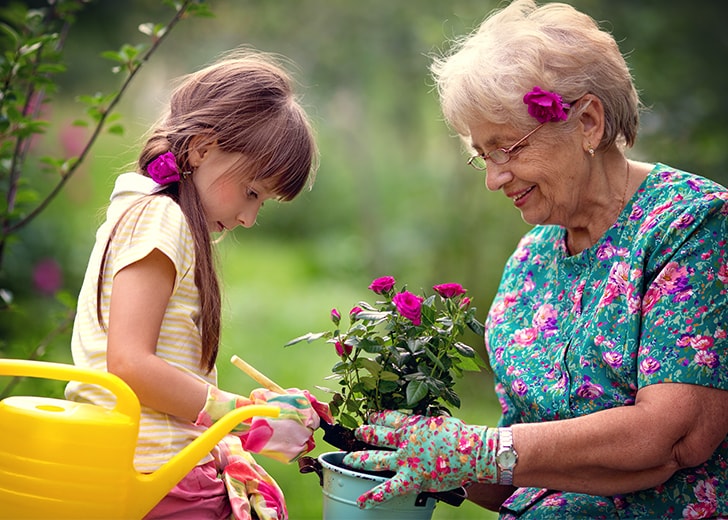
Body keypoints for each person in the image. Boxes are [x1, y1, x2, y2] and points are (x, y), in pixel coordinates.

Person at [342, 1, 728, 517]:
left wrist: (478, 450)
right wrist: (411, 447)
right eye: (484, 155)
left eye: (508, 148)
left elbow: (674, 435)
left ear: (588, 123)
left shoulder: (693, 225)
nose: (493, 178)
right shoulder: (530, 261)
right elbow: (509, 472)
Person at [65, 49, 331, 520]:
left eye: (262, 203)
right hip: (152, 472)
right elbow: (128, 363)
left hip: (149, 461)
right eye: (252, 191)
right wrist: (237, 418)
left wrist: (251, 410)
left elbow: (159, 367)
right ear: (202, 148)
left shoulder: (157, 216)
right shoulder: (161, 218)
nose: (249, 218)